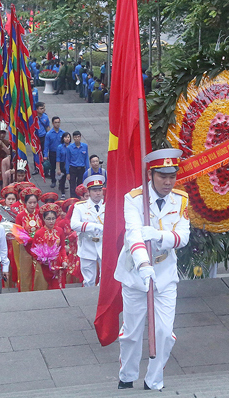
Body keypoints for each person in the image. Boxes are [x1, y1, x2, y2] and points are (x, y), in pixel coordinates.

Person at [115, 148, 189, 391]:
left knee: (165, 333)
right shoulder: (134, 199)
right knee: (132, 334)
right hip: (136, 274)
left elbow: (183, 237)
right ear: (151, 174)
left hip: (165, 273)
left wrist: (159, 235)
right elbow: (133, 234)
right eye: (162, 176)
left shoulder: (180, 199)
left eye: (172, 176)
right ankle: (127, 376)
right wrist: (143, 264)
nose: (168, 182)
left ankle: (153, 381)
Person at [70, 174, 105, 287]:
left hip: (103, 245)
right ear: (89, 192)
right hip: (87, 245)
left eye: (100, 190)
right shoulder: (80, 207)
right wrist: (94, 226)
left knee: (104, 278)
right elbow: (74, 224)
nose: (98, 193)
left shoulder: (108, 205)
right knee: (89, 280)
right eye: (94, 190)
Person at [65, 130, 88, 198]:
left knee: (81, 185)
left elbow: (86, 158)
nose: (77, 138)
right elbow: (67, 160)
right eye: (75, 137)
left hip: (81, 168)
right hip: (73, 168)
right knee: (72, 185)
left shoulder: (85, 146)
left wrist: (87, 170)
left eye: (78, 137)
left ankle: (80, 198)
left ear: (80, 137)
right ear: (73, 138)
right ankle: (73, 198)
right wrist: (67, 172)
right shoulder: (69, 148)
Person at [43, 116, 62, 188]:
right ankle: (53, 181)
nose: (57, 124)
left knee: (61, 168)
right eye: (56, 122)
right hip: (52, 153)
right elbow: (46, 145)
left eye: (58, 122)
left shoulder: (62, 133)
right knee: (53, 167)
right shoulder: (49, 134)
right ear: (53, 123)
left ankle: (61, 182)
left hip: (61, 153)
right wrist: (45, 155)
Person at [56, 132, 71, 199]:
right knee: (62, 180)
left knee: (71, 179)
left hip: (70, 164)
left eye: (68, 137)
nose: (67, 139)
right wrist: (58, 168)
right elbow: (58, 158)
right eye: (65, 137)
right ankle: (63, 193)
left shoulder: (72, 146)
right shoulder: (60, 147)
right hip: (63, 164)